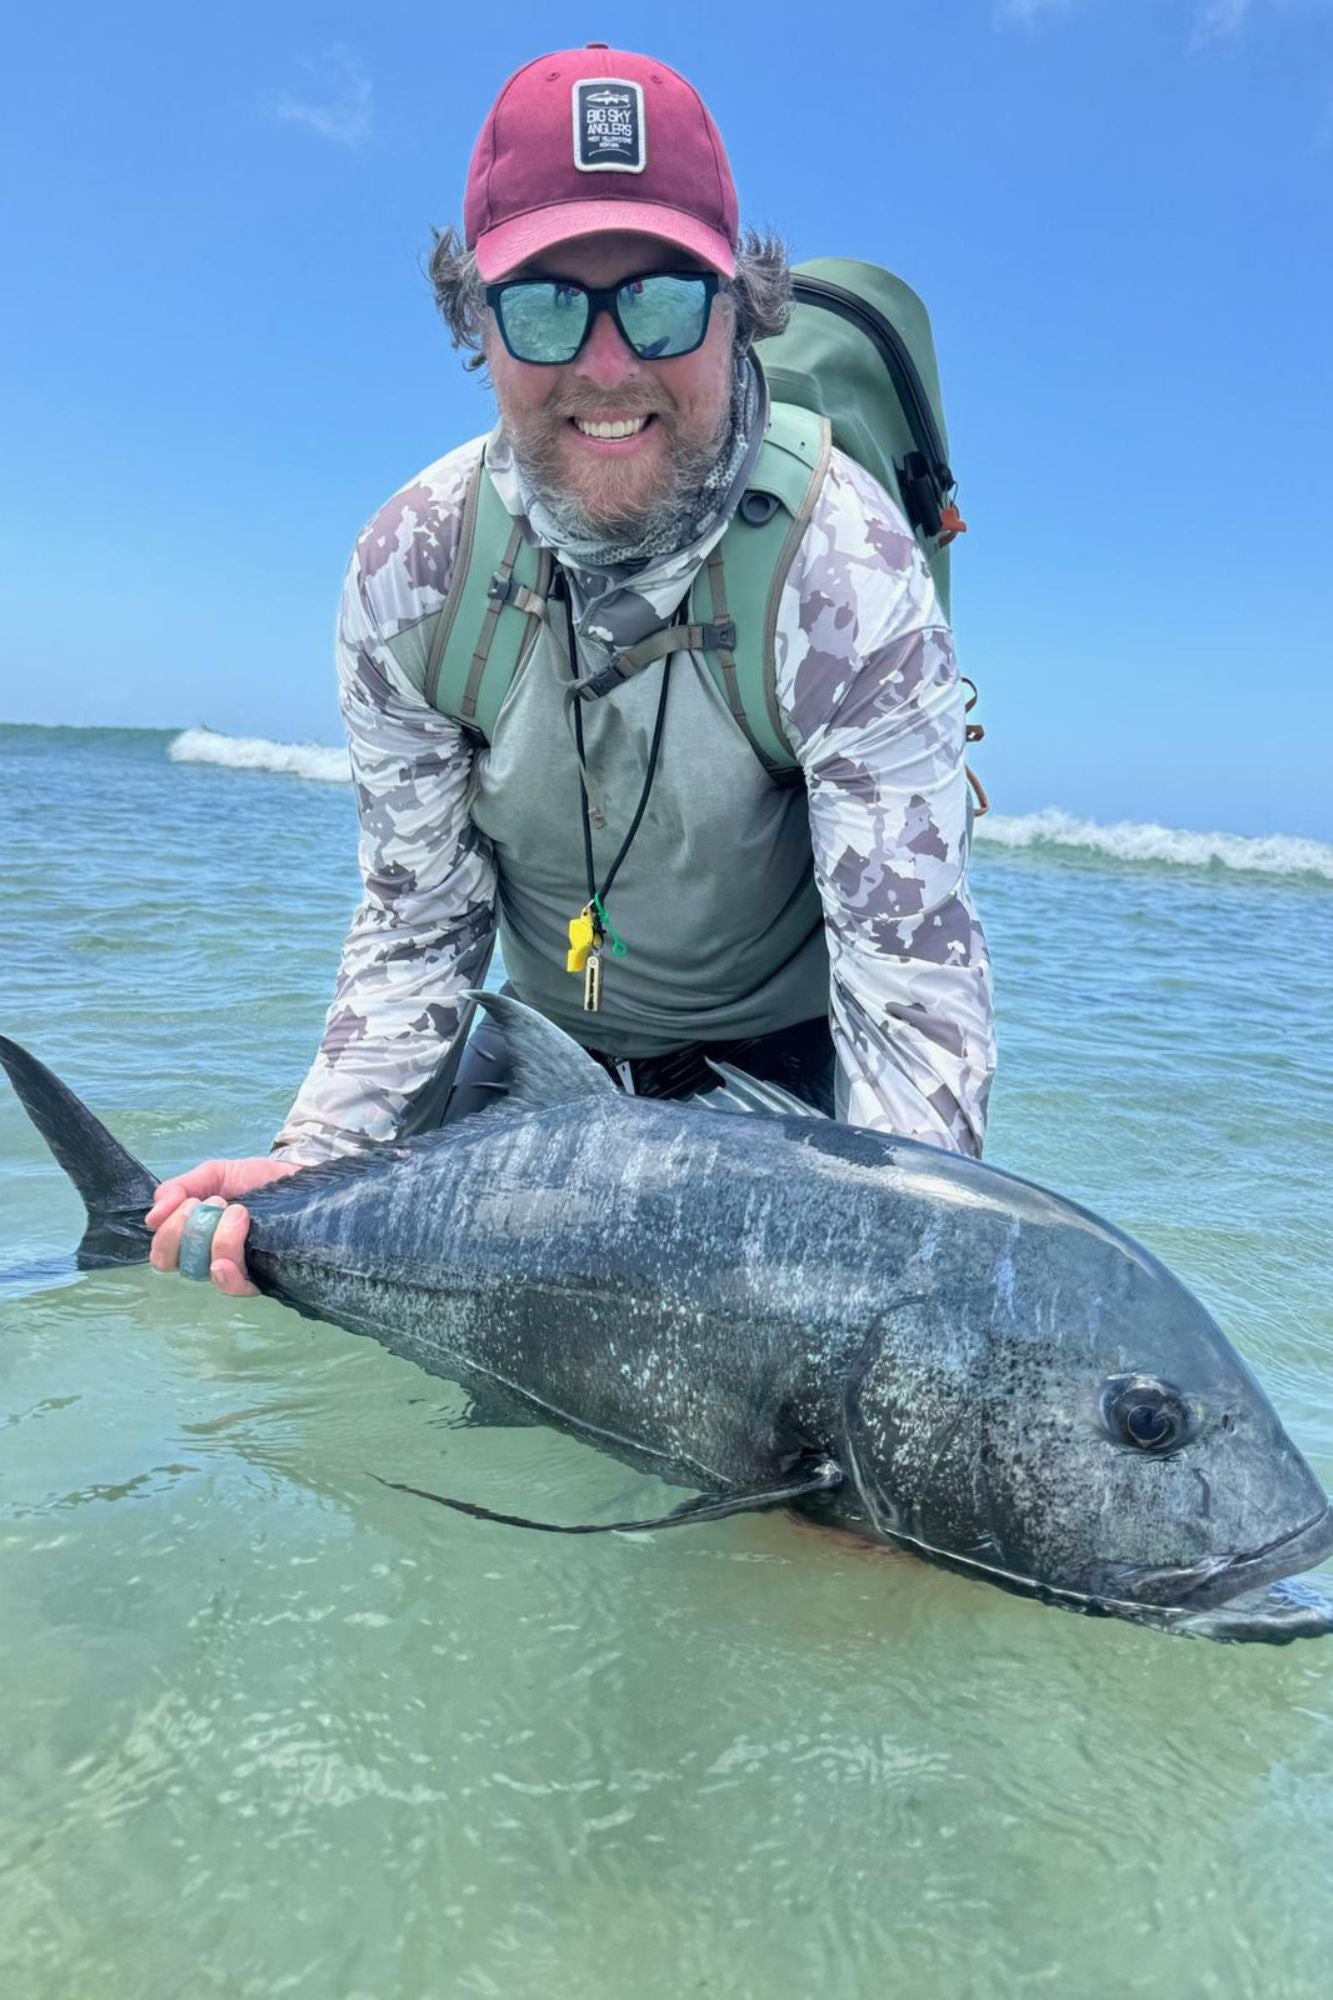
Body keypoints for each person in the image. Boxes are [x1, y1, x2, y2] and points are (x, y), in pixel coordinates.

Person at [148, 43, 995, 1295]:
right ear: (478, 323)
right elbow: (421, 924)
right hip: (544, 1058)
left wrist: (896, 1291)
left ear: (738, 306)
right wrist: (319, 1160)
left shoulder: (849, 571)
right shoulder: (412, 570)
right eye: (546, 303)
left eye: (661, 298)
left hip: (791, 1080)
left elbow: (909, 987)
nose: (606, 365)